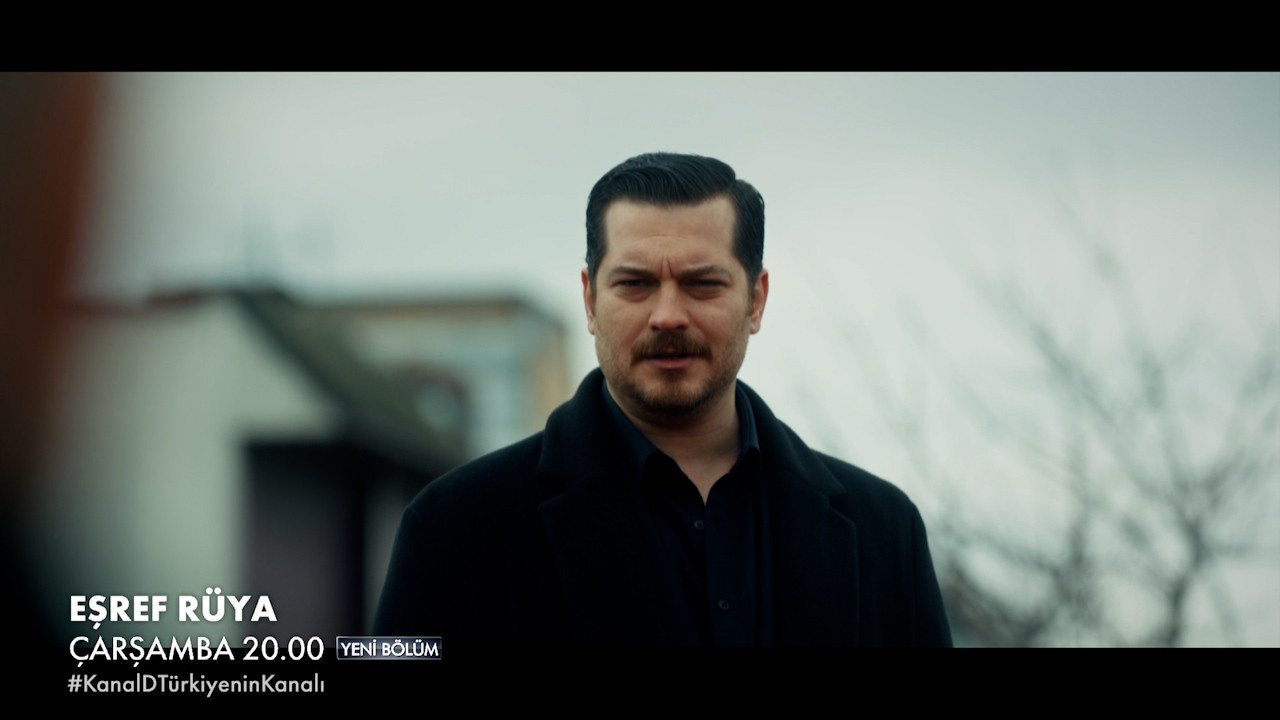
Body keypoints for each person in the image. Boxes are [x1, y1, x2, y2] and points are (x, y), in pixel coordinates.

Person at [374, 152, 952, 647]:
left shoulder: (885, 532)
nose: (668, 315)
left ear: (756, 300)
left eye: (702, 283)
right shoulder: (454, 527)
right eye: (635, 284)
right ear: (590, 300)